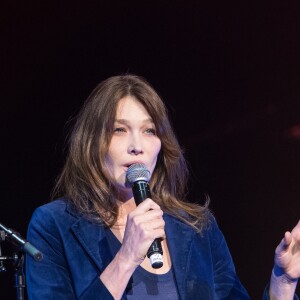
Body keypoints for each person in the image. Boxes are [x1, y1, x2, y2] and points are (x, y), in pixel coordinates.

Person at [26, 74, 299, 299]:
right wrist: (127, 257)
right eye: (119, 130)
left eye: (149, 131)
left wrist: (283, 282)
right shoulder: (54, 225)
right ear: (92, 142)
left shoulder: (197, 228)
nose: (137, 146)